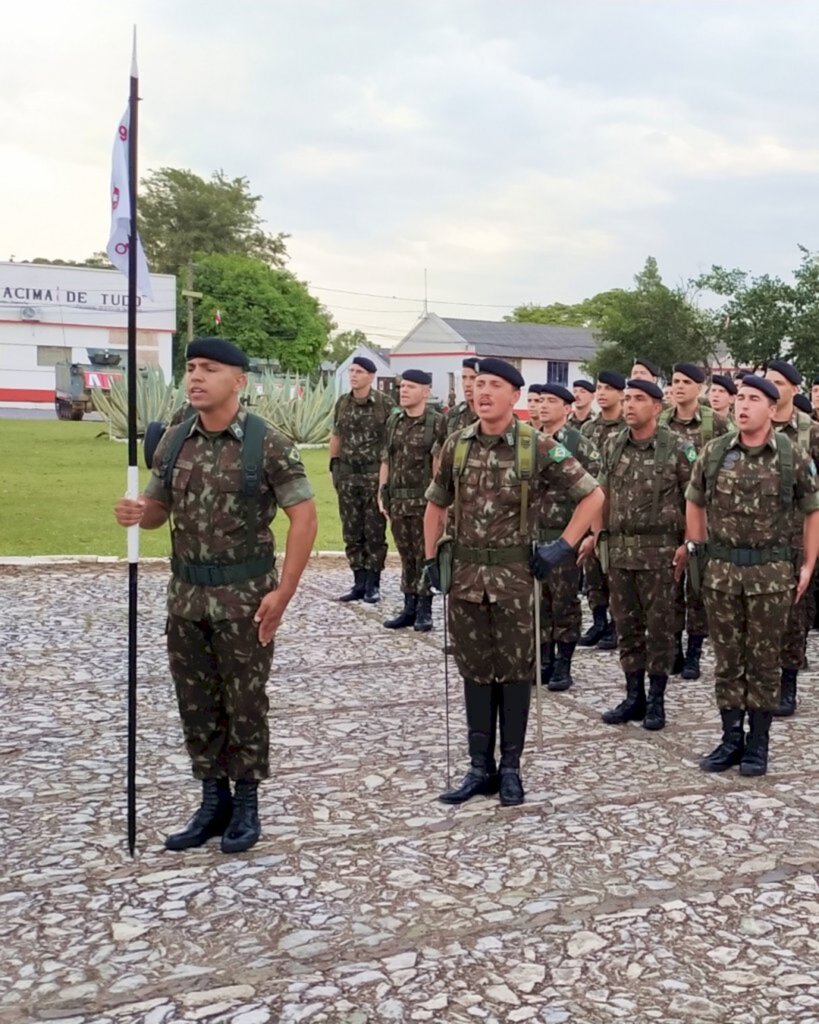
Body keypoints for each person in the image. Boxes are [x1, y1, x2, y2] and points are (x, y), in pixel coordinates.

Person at [113, 337, 317, 853]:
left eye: (210, 369)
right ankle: (213, 799)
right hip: (186, 597)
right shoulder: (175, 439)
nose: (196, 377)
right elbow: (159, 510)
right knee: (196, 703)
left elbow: (304, 518)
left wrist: (285, 591)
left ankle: (246, 803)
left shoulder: (267, 443)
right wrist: (140, 513)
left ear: (239, 380)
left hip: (244, 598)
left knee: (244, 702)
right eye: (191, 368)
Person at [423, 358, 603, 807]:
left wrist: (562, 545)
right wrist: (431, 562)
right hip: (465, 580)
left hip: (515, 581)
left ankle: (510, 769)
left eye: (494, 385)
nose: (482, 392)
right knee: (474, 673)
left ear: (514, 396)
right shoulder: (455, 444)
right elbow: (435, 504)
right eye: (478, 384)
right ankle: (478, 767)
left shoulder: (537, 446)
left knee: (515, 674)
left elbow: (593, 495)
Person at [686, 375, 819, 776]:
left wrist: (809, 564)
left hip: (771, 575)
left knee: (763, 661)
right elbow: (694, 501)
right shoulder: (713, 453)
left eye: (753, 399)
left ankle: (758, 744)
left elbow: (812, 510)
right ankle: (730, 739)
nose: (742, 405)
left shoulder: (791, 456)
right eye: (739, 398)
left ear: (770, 407)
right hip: (722, 573)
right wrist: (698, 549)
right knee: (727, 659)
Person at [581, 379, 694, 731]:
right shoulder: (613, 444)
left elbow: (695, 501)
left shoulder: (678, 447)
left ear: (657, 408)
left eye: (639, 399)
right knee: (627, 626)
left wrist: (689, 545)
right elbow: (600, 492)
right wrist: (596, 534)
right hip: (620, 551)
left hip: (660, 554)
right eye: (627, 398)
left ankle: (657, 699)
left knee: (659, 629)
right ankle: (634, 696)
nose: (629, 405)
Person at [661, 362, 731, 680]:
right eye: (675, 381)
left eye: (686, 382)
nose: (679, 386)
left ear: (700, 388)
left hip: (703, 514)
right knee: (670, 584)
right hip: (667, 513)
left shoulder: (717, 425)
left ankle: (694, 652)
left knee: (697, 587)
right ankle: (673, 647)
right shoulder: (661, 420)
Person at [537, 383, 601, 690]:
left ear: (566, 408)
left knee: (563, 601)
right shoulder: (528, 441)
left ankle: (564, 662)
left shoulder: (578, 443)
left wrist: (590, 534)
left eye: (552, 401)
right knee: (538, 602)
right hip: (534, 534)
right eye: (540, 401)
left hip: (566, 535)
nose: (543, 406)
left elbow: (596, 489)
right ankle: (543, 659)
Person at [764, 359, 819, 716]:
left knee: (793, 618)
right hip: (754, 536)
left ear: (794, 390)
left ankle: (787, 685)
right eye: (767, 381)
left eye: (779, 382)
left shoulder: (810, 432)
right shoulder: (755, 428)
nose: (772, 387)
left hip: (797, 537)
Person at [379, 369, 444, 632]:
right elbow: (387, 458)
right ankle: (409, 605)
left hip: (423, 503)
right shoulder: (394, 422)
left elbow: (439, 466)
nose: (403, 391)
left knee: (425, 555)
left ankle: (424, 609)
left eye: (410, 387)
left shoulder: (437, 422)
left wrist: (440, 505)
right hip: (398, 502)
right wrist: (382, 489)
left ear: (426, 392)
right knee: (406, 556)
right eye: (402, 386)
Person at [330, 356, 395, 603]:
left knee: (374, 531)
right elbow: (336, 436)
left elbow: (391, 442)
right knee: (351, 530)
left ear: (371, 376)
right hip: (347, 475)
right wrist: (333, 467)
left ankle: (373, 583)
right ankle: (358, 581)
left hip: (372, 475)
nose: (353, 375)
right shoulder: (342, 403)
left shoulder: (384, 404)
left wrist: (386, 480)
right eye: (351, 371)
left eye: (359, 371)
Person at [579, 370, 626, 649]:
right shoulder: (588, 429)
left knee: (615, 572)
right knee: (593, 568)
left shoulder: (626, 428)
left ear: (621, 394)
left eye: (609, 388)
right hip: (590, 505)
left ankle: (616, 624)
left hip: (617, 507)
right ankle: (598, 621)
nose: (602, 393)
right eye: (599, 387)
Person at [433, 357, 480, 457]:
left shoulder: (492, 416)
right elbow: (438, 453)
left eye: (473, 378)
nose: (467, 384)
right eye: (464, 378)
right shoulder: (452, 415)